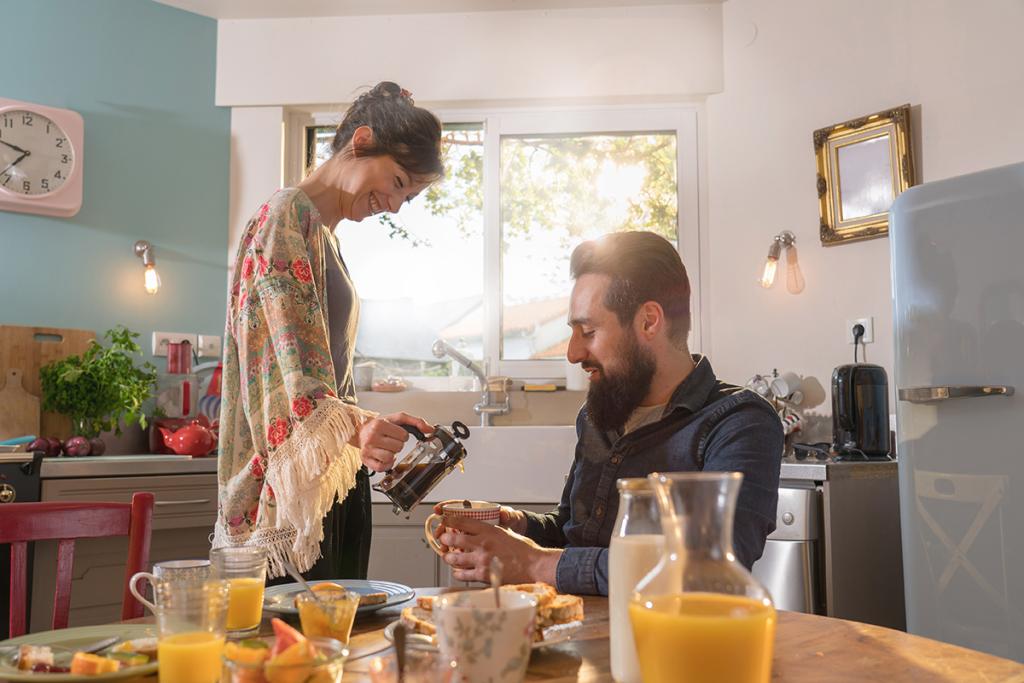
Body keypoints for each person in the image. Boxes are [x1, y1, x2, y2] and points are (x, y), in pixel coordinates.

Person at [436, 231, 784, 595]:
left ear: (649, 321)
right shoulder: (596, 414)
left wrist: (533, 563)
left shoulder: (739, 422)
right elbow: (575, 531)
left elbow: (709, 567)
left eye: (588, 331)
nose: (572, 353)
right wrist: (519, 526)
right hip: (575, 623)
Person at [213, 82, 445, 580]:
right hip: (289, 498)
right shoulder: (285, 216)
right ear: (361, 141)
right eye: (399, 182)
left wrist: (368, 422)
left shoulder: (322, 235)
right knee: (299, 630)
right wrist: (356, 428)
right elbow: (282, 374)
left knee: (338, 628)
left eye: (409, 197)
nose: (396, 205)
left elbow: (319, 376)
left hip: (327, 479)